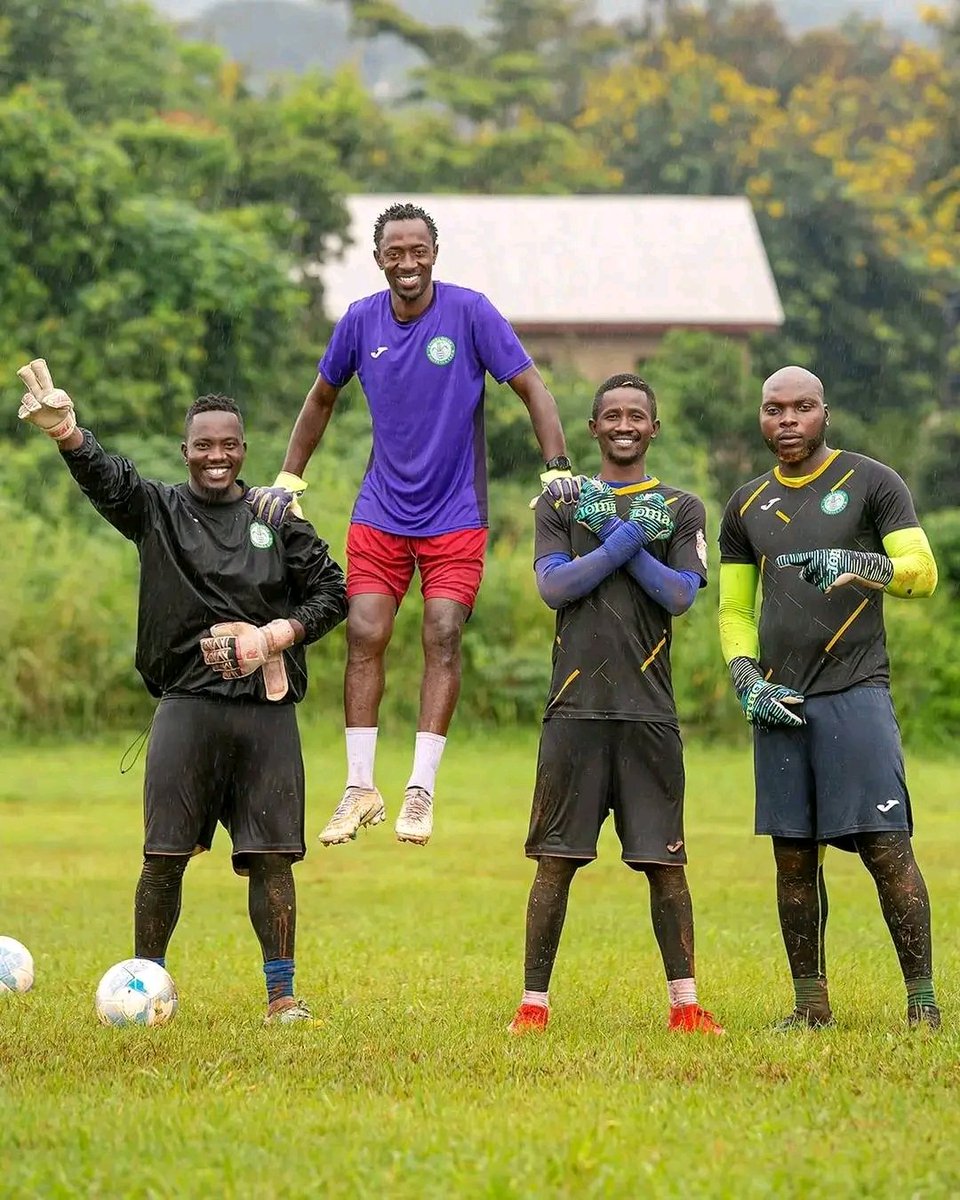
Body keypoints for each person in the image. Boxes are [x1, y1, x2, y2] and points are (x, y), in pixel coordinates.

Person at [16, 359, 347, 1024]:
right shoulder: (161, 510)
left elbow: (333, 592)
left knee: (273, 858)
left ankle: (281, 995)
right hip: (185, 712)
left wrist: (273, 636)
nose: (215, 456)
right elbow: (112, 482)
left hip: (265, 715)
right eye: (203, 445)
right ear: (186, 451)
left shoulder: (275, 518)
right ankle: (145, 985)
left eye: (228, 444)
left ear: (243, 450)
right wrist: (68, 433)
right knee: (163, 856)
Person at [247, 201, 572, 849]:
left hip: (455, 514)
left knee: (443, 631)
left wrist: (557, 467)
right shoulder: (360, 321)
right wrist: (289, 476)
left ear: (434, 253)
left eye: (417, 250)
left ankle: (420, 788)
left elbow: (534, 387)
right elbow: (321, 398)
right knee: (365, 629)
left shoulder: (471, 312)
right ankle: (360, 786)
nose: (407, 262)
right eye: (394, 252)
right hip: (381, 513)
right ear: (378, 260)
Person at [718, 365, 940, 1031]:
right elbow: (734, 612)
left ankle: (923, 1004)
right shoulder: (745, 505)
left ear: (824, 413)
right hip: (782, 701)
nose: (787, 421)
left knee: (885, 847)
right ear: (761, 417)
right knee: (792, 859)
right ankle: (810, 1007)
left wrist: (860, 565)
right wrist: (745, 678)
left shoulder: (871, 483)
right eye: (774, 409)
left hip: (856, 692)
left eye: (802, 408)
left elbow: (922, 574)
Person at [508, 372, 724, 1036]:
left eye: (637, 415)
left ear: (653, 429)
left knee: (666, 863)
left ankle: (685, 1007)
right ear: (594, 428)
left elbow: (679, 596)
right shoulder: (563, 502)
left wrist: (618, 535)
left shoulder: (683, 508)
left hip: (648, 714)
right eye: (613, 415)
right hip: (573, 711)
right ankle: (532, 1007)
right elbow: (557, 588)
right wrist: (627, 535)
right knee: (556, 861)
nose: (625, 424)